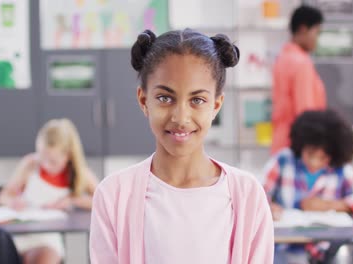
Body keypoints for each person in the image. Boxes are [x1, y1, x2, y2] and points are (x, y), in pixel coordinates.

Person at [89, 29, 274, 264]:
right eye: (165, 98)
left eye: (197, 100)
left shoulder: (247, 194)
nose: (181, 117)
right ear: (144, 100)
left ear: (216, 105)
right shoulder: (114, 195)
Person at [264, 110, 353, 262]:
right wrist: (269, 207)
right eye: (310, 154)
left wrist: (330, 205)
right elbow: (257, 194)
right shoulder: (283, 160)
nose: (314, 162)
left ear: (333, 155)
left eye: (322, 158)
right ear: (300, 145)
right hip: (287, 248)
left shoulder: (340, 168)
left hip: (327, 249)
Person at [0, 118, 98, 264]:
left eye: (53, 161)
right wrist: (13, 201)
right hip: (20, 233)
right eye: (42, 157)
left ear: (68, 156)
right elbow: (2, 196)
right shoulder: (30, 164)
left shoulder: (79, 173)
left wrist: (72, 200)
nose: (46, 165)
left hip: (47, 239)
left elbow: (102, 201)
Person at [271, 5, 326, 154]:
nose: (317, 39)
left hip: (281, 142)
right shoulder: (301, 63)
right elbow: (305, 114)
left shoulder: (282, 58)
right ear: (303, 29)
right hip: (299, 147)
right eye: (317, 32)